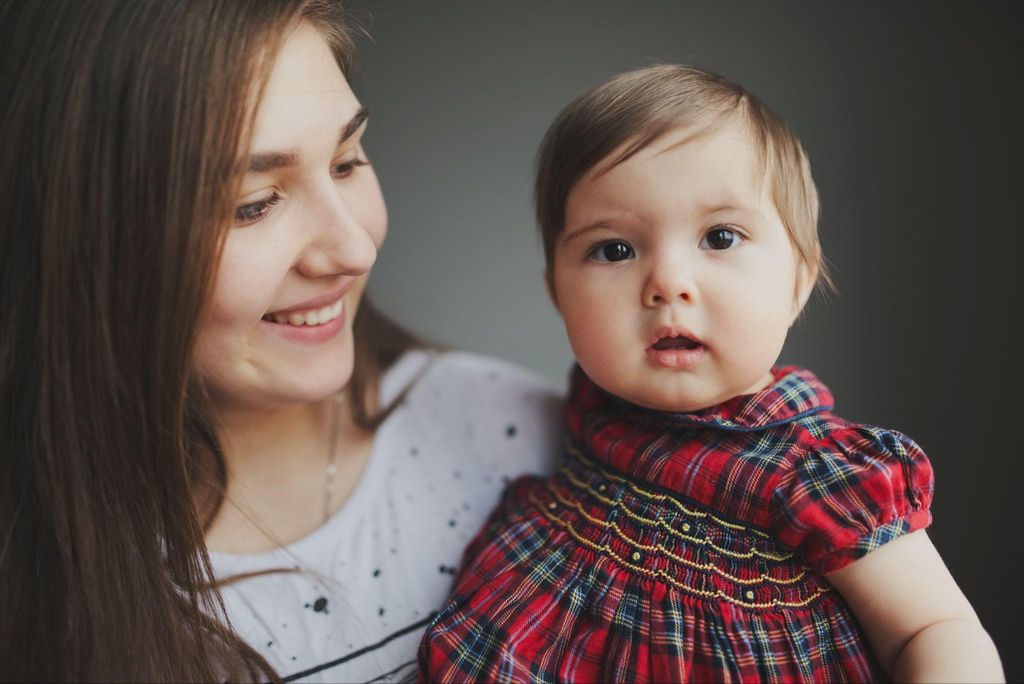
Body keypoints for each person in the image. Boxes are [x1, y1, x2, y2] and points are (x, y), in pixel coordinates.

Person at [0, 1, 560, 682]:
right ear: (83, 242)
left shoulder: (518, 441)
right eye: (253, 204)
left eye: (348, 161)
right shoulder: (34, 589)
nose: (352, 248)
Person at [419, 65, 1003, 682]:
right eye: (614, 249)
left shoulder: (818, 473)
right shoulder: (590, 407)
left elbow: (932, 628)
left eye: (720, 237)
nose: (668, 283)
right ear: (558, 294)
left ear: (798, 283)